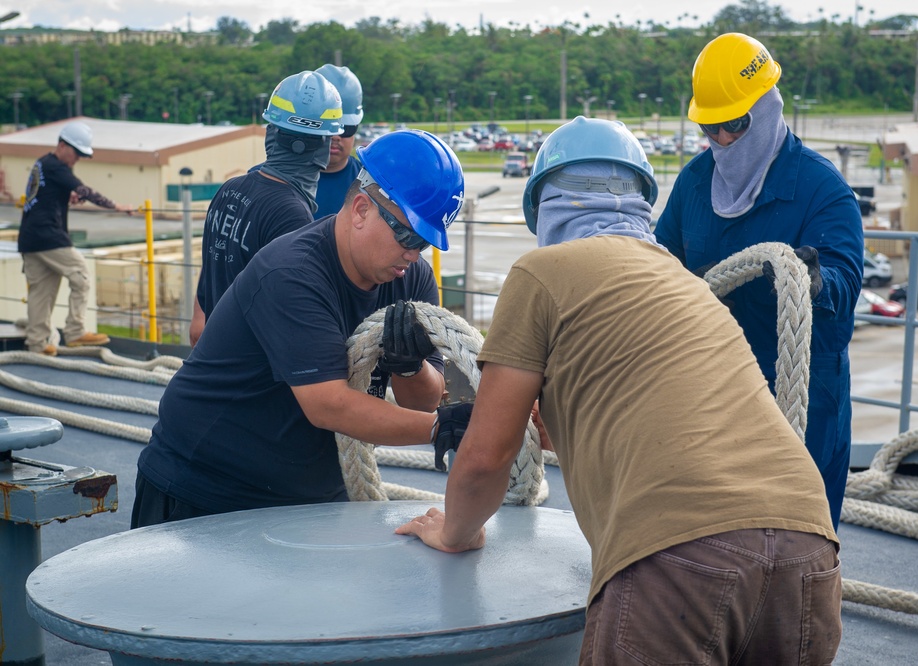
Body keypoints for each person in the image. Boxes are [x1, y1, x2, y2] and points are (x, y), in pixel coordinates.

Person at [397, 117, 842, 664]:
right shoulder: (688, 285)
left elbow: (488, 456)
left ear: (544, 204)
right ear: (640, 203)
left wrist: (455, 533)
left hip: (681, 549)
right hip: (808, 546)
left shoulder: (542, 271)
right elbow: (645, 415)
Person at [132, 129, 469, 528]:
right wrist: (445, 428)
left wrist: (411, 366)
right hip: (206, 490)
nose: (412, 254)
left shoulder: (411, 279)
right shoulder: (293, 272)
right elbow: (328, 404)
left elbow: (424, 402)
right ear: (361, 209)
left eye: (424, 242)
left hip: (309, 493)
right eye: (407, 235)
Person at [653, 33, 864, 530]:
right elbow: (660, 263)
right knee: (711, 538)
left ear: (767, 109)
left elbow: (845, 286)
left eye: (734, 125)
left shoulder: (822, 191)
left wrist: (813, 281)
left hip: (803, 404)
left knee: (797, 543)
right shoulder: (693, 183)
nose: (722, 140)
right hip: (711, 398)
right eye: (710, 127)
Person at [188, 70, 343, 345]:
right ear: (321, 145)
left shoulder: (229, 189)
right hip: (251, 366)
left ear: (272, 132)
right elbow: (290, 311)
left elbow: (209, 281)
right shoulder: (291, 212)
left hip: (217, 353)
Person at [18, 120, 133, 356]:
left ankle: (37, 345)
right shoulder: (57, 167)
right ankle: (75, 331)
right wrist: (116, 206)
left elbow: (48, 193)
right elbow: (85, 191)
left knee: (42, 291)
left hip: (30, 237)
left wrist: (66, 195)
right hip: (48, 234)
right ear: (62, 145)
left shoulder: (43, 163)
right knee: (80, 275)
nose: (77, 159)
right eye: (76, 153)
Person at [314, 64, 365, 219]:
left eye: (345, 129)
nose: (336, 137)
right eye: (329, 128)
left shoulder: (370, 184)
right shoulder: (279, 182)